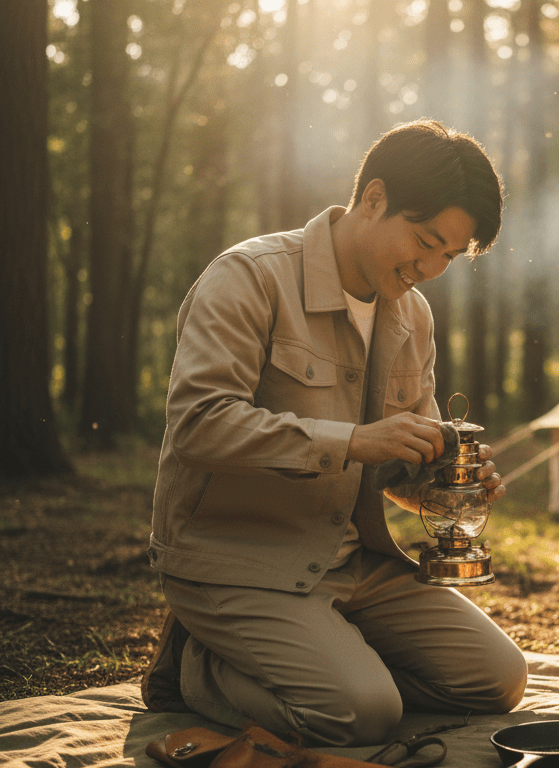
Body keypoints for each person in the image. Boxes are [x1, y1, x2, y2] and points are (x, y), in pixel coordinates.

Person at [142, 120, 528, 747]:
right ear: (373, 198)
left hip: (354, 562)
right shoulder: (249, 278)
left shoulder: (413, 316)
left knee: (498, 681)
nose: (430, 269)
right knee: (362, 715)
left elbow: (397, 471)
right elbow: (198, 425)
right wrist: (351, 440)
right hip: (238, 559)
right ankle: (198, 668)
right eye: (425, 241)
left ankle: (331, 666)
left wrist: (447, 487)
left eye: (449, 258)